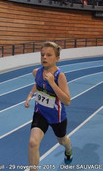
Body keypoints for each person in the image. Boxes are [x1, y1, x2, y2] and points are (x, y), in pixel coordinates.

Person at [25, 42, 72, 170]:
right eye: (42, 54)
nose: (44, 57)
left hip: (57, 117)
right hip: (40, 113)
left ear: (57, 59)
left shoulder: (59, 76)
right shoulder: (36, 72)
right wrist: (30, 95)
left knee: (62, 141)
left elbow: (67, 101)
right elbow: (38, 84)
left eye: (49, 55)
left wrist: (52, 83)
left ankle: (69, 149)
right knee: (33, 143)